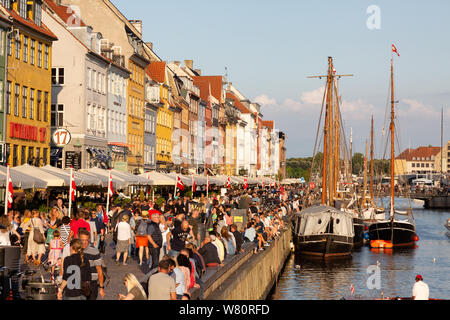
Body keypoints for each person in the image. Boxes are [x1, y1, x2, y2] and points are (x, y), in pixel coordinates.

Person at [78, 229, 105, 300]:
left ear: (89, 240)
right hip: (79, 283)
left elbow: (99, 270)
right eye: (82, 240)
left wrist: (101, 287)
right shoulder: (76, 250)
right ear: (79, 239)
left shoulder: (94, 251)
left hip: (92, 284)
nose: (84, 242)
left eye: (86, 240)